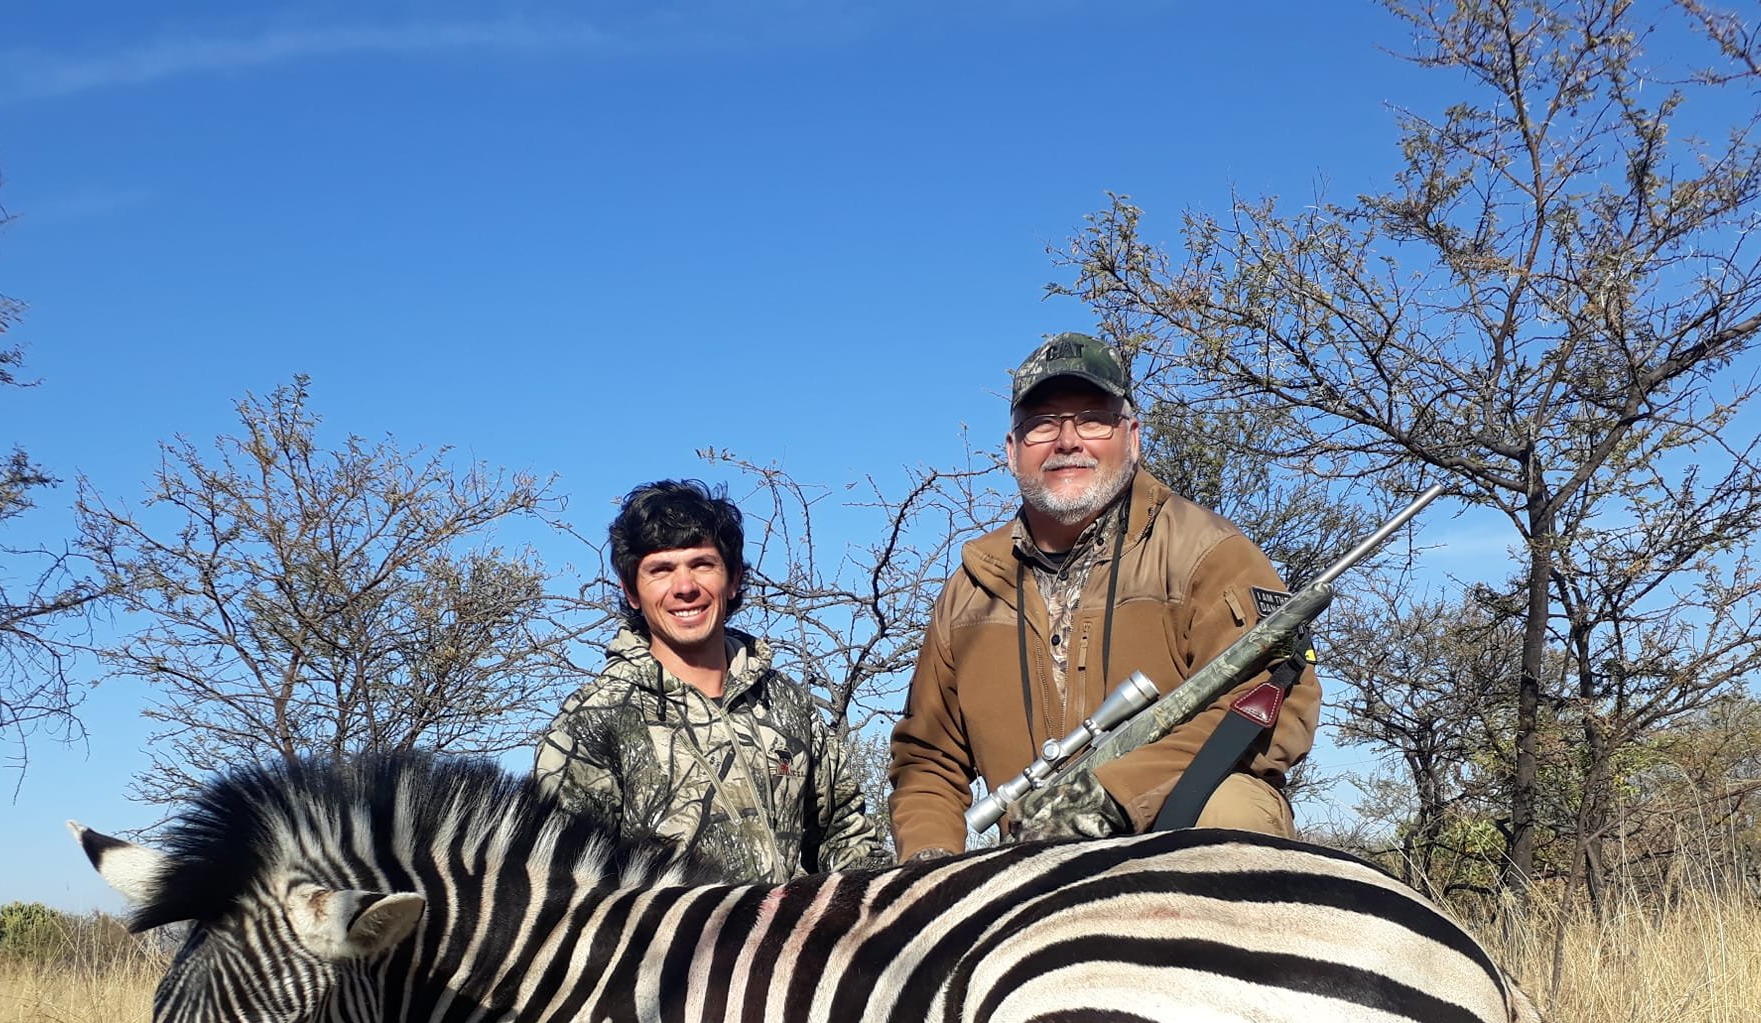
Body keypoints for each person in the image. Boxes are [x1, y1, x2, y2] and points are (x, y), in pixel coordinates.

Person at [889, 333, 1319, 858]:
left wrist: (1114, 795)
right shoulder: (968, 591)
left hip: (1173, 836)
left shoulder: (1209, 553)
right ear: (1011, 451)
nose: (1067, 441)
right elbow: (927, 760)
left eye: (1093, 419)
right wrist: (929, 864)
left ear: (1132, 437)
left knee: (1230, 811)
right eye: (1042, 424)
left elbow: (1273, 705)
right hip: (1030, 860)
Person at [535, 479, 889, 883]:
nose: (685, 587)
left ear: (734, 578)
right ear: (631, 591)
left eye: (702, 564)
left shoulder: (788, 704)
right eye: (660, 570)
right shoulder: (591, 723)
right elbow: (560, 890)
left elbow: (846, 832)